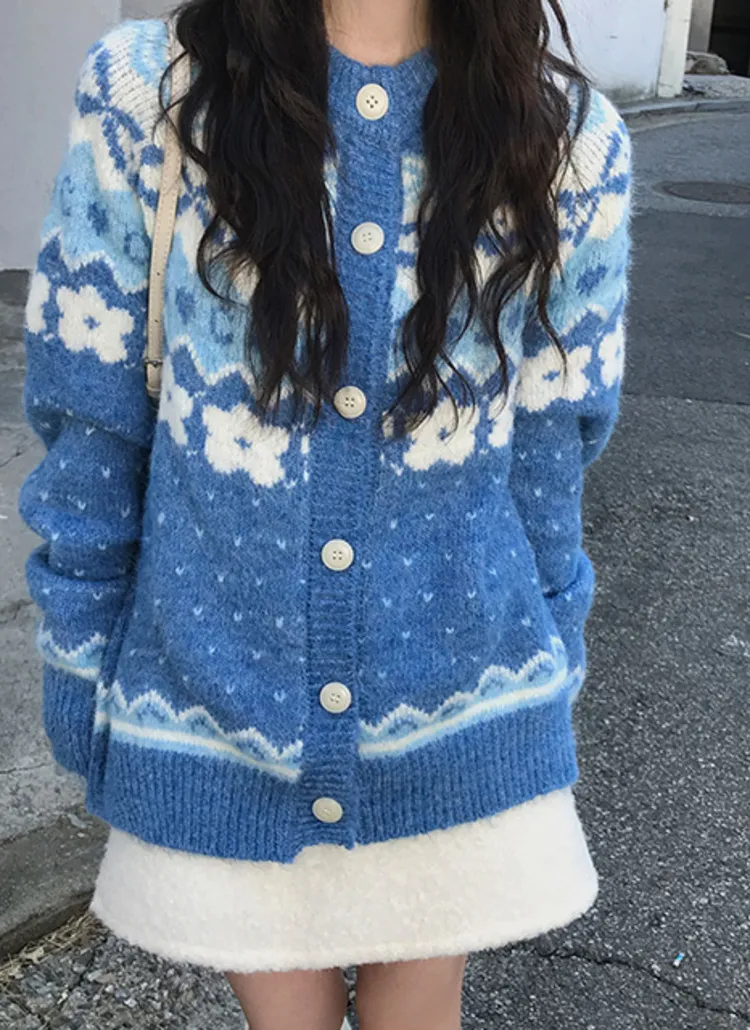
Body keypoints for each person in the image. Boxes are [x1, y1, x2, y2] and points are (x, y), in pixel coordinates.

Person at [17, 0, 632, 1026]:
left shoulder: (564, 135)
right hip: (212, 712)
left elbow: (549, 459)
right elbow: (92, 428)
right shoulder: (151, 94)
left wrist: (553, 667)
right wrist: (80, 672)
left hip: (462, 713)